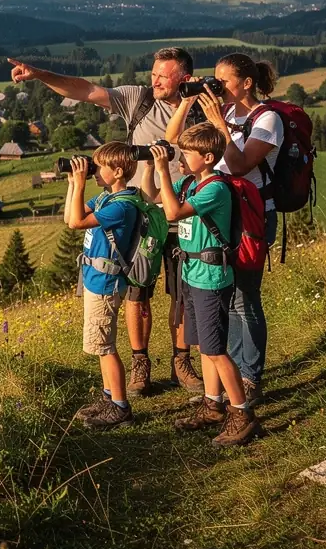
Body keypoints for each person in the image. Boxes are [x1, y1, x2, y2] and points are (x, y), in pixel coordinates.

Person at [10, 47, 203, 395]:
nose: (154, 80)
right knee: (136, 293)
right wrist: (39, 74)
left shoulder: (202, 107)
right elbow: (84, 90)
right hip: (138, 217)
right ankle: (140, 364)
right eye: (153, 73)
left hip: (183, 211)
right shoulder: (139, 99)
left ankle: (181, 361)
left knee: (183, 294)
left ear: (184, 79)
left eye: (163, 75)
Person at [163, 54, 282, 406]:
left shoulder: (268, 119)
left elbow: (242, 165)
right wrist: (189, 99)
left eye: (223, 81)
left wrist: (220, 124)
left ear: (246, 83)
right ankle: (230, 375)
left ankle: (250, 377)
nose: (217, 87)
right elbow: (175, 139)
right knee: (225, 301)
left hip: (253, 218)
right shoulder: (227, 114)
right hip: (224, 218)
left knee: (245, 301)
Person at [146, 125, 260, 446]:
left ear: (208, 158)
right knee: (203, 348)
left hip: (211, 279)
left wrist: (162, 171)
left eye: (187, 154)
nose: (181, 159)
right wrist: (148, 168)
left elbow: (172, 211)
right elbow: (154, 198)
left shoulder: (215, 189)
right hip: (191, 275)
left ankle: (242, 412)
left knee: (215, 349)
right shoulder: (188, 183)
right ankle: (214, 405)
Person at [65, 142, 141, 429]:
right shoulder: (106, 199)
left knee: (105, 347)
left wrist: (81, 184)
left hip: (106, 282)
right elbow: (68, 217)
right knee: (100, 345)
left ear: (118, 171)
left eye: (99, 167)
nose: (94, 171)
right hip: (95, 280)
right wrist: (74, 183)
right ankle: (109, 397)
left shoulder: (120, 206)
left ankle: (120, 407)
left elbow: (75, 222)